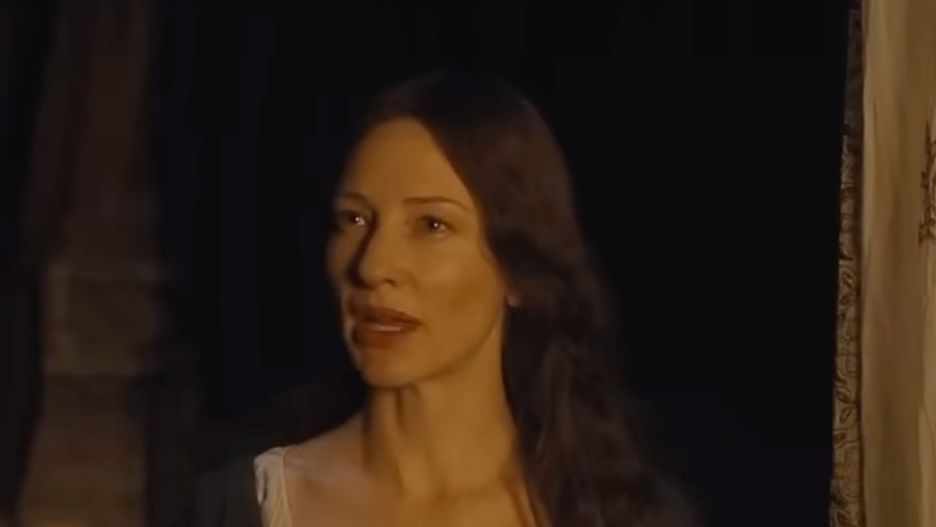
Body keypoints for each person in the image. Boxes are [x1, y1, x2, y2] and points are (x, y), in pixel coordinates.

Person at [181, 70, 696, 527]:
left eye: (431, 225)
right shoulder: (239, 506)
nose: (372, 265)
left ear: (518, 271)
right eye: (353, 218)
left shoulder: (614, 513)